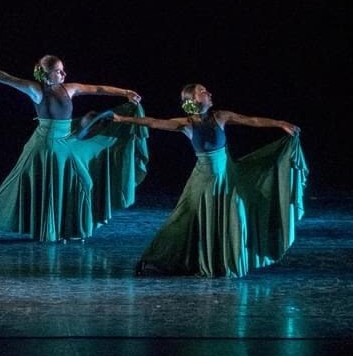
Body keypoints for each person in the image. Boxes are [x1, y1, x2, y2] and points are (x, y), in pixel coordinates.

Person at [114, 83, 307, 278]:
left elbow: (252, 120)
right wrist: (122, 118)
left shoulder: (220, 116)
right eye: (203, 91)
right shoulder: (187, 124)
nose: (209, 93)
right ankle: (156, 260)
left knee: (233, 220)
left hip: (226, 179)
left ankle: (223, 262)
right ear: (193, 99)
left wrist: (280, 123)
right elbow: (153, 122)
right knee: (183, 219)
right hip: (202, 181)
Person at [0, 55, 149, 243]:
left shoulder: (69, 88)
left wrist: (126, 92)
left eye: (63, 70)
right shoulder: (36, 90)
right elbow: (7, 78)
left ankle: (72, 228)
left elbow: (98, 89)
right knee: (15, 184)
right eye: (58, 71)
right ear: (46, 74)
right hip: (41, 146)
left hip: (65, 144)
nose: (63, 74)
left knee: (84, 182)